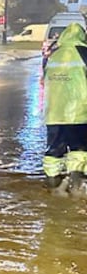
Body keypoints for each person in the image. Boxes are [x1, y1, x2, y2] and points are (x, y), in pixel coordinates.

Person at [42, 22, 87, 196]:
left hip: (54, 113)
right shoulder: (84, 53)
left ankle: (52, 186)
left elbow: (44, 80)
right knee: (79, 149)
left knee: (53, 151)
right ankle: (76, 188)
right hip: (79, 113)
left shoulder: (54, 55)